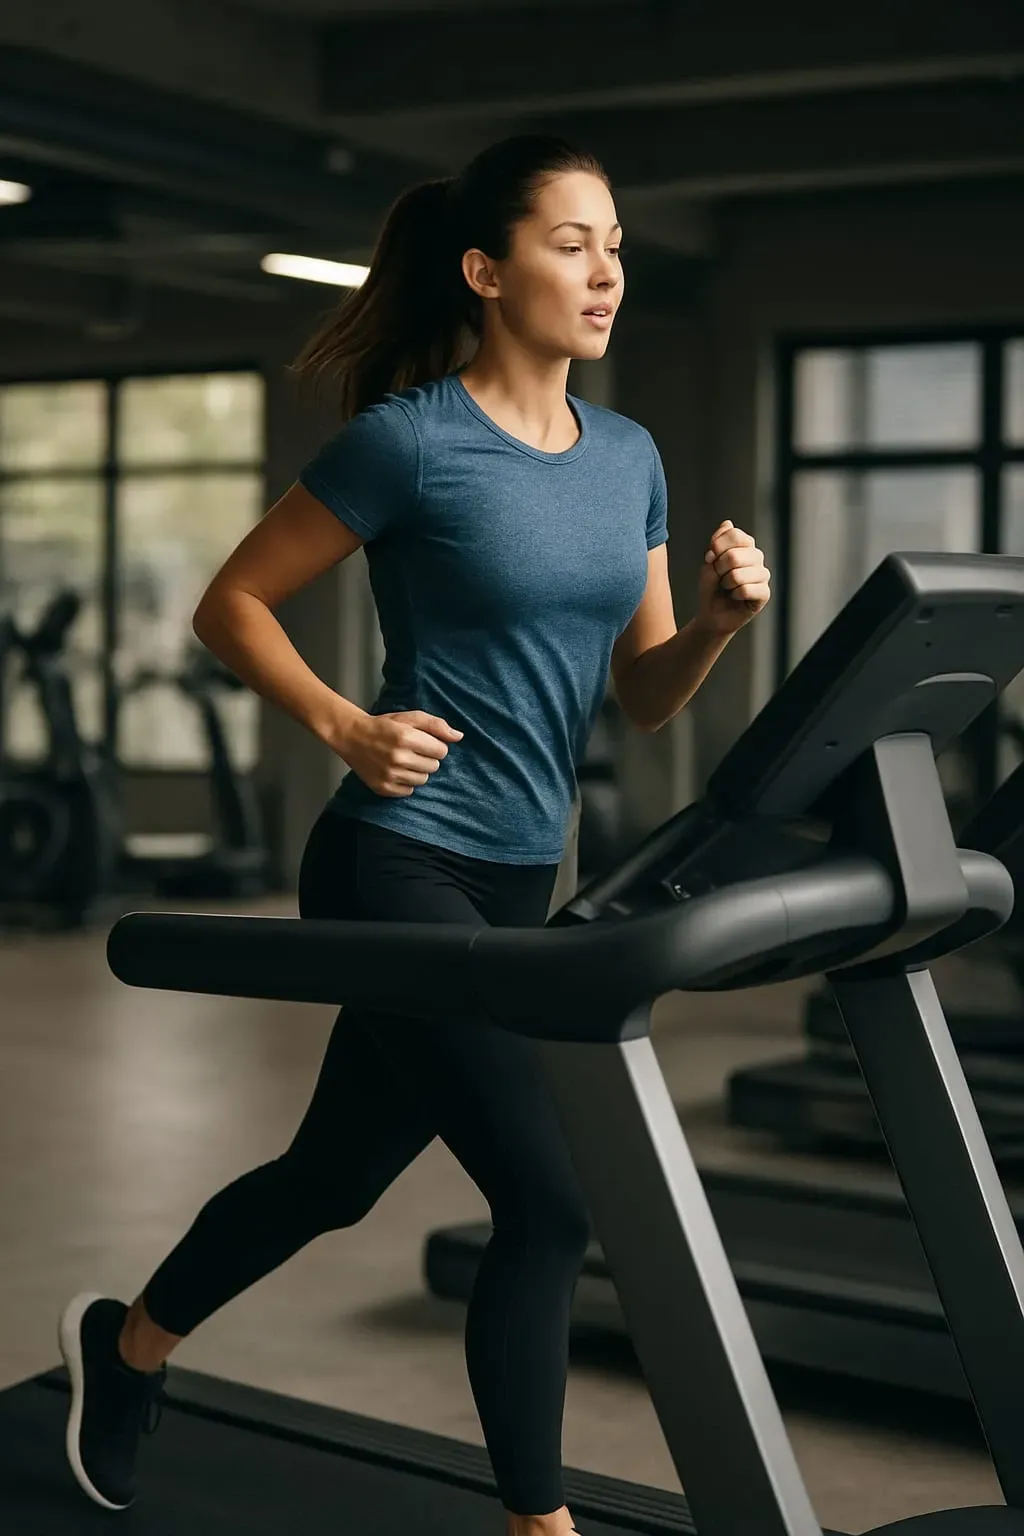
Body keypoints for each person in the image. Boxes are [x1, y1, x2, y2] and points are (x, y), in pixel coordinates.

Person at [57, 133, 770, 1536]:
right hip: (393, 860)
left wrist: (719, 629)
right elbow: (230, 605)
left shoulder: (628, 457)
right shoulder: (409, 441)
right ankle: (538, 1527)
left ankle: (127, 1347)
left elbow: (636, 696)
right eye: (572, 244)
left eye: (616, 244)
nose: (606, 270)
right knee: (552, 1204)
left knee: (331, 1177)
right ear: (487, 271)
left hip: (520, 878)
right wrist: (345, 726)